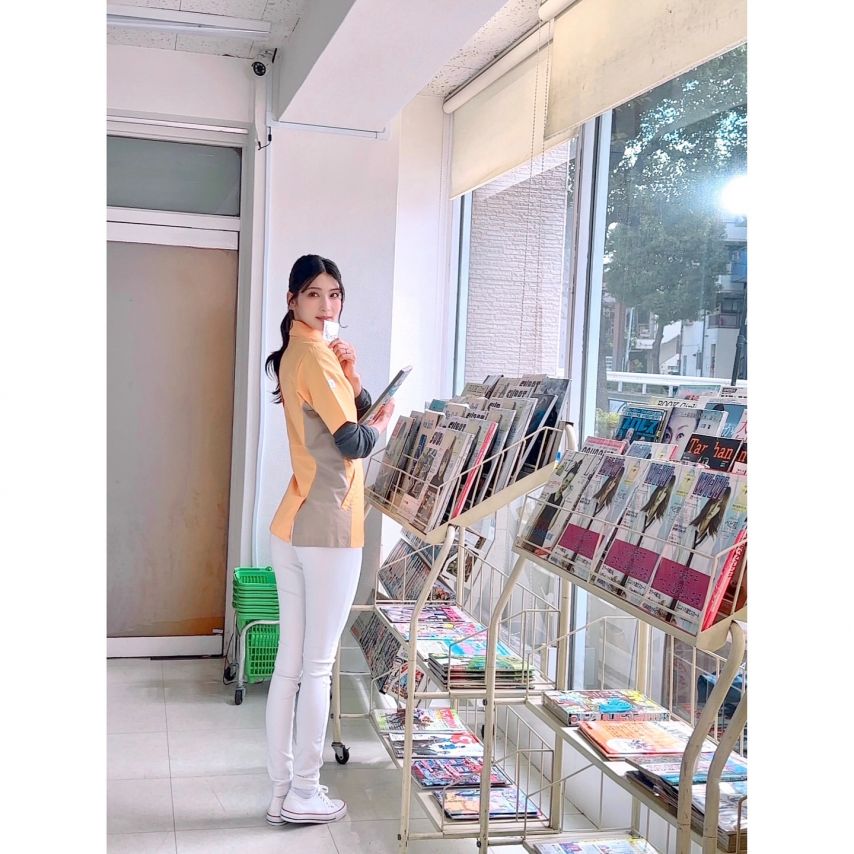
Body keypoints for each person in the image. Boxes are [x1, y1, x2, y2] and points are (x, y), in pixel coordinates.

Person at [262, 254, 394, 826]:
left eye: (334, 294)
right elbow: (353, 441)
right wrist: (383, 422)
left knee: (290, 666)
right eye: (314, 294)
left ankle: (281, 792)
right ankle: (305, 791)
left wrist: (355, 380)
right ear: (293, 299)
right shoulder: (315, 355)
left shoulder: (299, 352)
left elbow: (339, 416)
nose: (326, 304)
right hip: (329, 526)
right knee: (317, 666)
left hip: (292, 522)